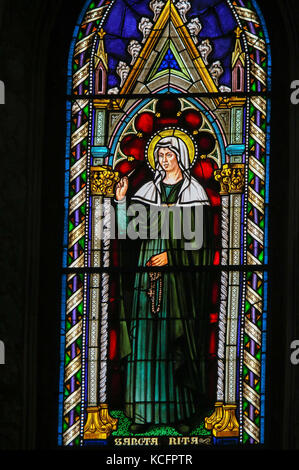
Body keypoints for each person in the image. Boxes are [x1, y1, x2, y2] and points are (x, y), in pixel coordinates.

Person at [115, 135, 214, 434]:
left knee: (175, 339)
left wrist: (171, 256)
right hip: (148, 273)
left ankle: (180, 414)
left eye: (168, 154)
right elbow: (126, 232)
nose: (163, 159)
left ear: (181, 157)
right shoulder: (148, 190)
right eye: (159, 154)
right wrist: (121, 201)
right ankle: (143, 414)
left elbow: (201, 245)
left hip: (179, 281)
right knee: (146, 339)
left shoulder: (195, 192)